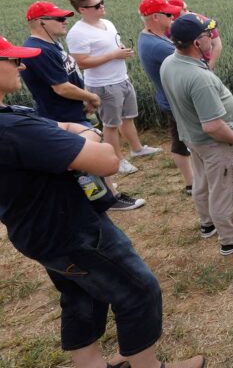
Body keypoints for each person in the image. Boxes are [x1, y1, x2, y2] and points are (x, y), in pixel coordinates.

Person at [0, 35, 204, 368]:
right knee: (138, 291)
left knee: (80, 294)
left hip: (36, 231)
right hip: (73, 231)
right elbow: (107, 161)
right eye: (11, 60)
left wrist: (74, 135)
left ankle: (90, 363)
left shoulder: (14, 117)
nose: (21, 65)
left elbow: (61, 127)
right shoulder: (13, 129)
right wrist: (86, 136)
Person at [21, 1, 144, 211]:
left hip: (70, 110)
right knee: (91, 154)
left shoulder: (51, 44)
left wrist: (83, 98)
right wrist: (92, 97)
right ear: (40, 22)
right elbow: (61, 87)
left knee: (81, 160)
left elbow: (70, 76)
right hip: (61, 114)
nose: (65, 22)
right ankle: (110, 198)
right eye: (59, 19)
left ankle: (98, 195)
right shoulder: (39, 50)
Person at [160, 14, 233, 256]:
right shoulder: (200, 78)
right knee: (224, 190)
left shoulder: (169, 63)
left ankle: (207, 224)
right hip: (214, 143)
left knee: (202, 182)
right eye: (208, 35)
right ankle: (232, 238)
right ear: (197, 43)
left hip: (192, 138)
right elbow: (212, 126)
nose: (212, 38)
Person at [66, 0, 160, 175]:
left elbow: (112, 47)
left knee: (128, 118)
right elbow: (81, 63)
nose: (101, 6)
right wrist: (113, 55)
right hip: (103, 85)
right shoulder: (78, 33)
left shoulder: (107, 23)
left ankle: (137, 149)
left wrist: (121, 51)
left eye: (101, 2)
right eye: (96, 5)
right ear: (82, 10)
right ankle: (117, 160)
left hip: (121, 79)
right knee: (111, 125)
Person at [136, 0, 194, 194]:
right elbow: (194, 65)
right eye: (168, 14)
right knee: (185, 143)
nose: (173, 17)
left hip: (168, 99)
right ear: (154, 17)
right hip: (176, 102)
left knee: (180, 141)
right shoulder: (159, 46)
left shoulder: (149, 37)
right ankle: (193, 184)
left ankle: (192, 183)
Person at [168, 0, 223, 69]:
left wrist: (209, 67)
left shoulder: (202, 21)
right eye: (170, 14)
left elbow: (217, 45)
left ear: (185, 10)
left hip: (203, 62)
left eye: (176, 13)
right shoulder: (170, 23)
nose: (173, 17)